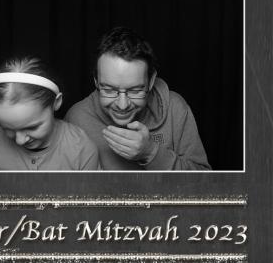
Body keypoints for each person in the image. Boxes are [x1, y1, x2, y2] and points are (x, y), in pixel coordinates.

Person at [65, 27, 211, 171]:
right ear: (96, 81)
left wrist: (151, 153)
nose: (122, 105)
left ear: (151, 81)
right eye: (109, 90)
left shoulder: (175, 108)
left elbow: (204, 180)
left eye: (135, 91)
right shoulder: (77, 118)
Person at [0, 56, 100, 170]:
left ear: (56, 102)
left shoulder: (82, 149)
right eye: (7, 129)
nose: (20, 141)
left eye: (32, 127)